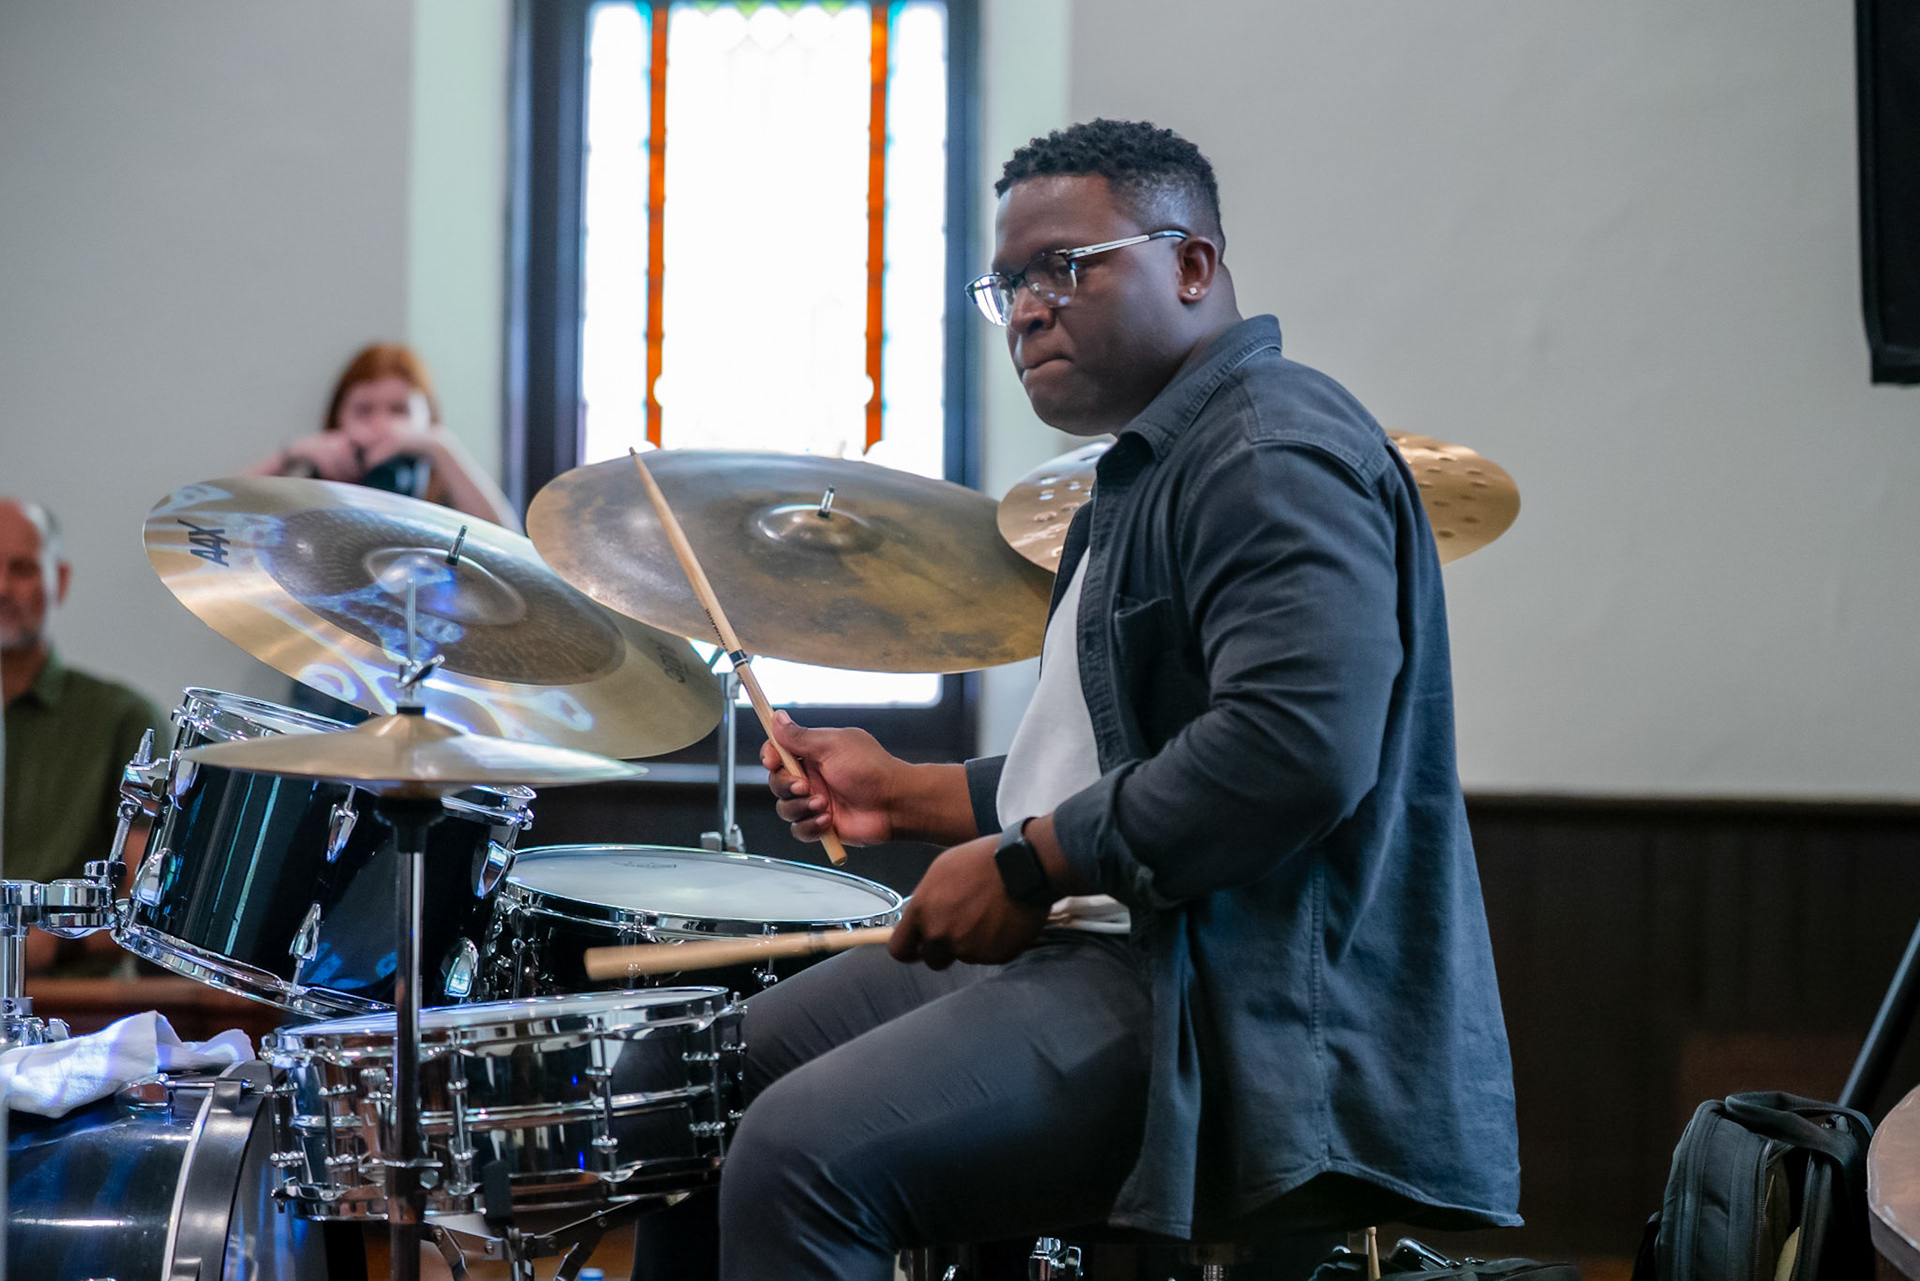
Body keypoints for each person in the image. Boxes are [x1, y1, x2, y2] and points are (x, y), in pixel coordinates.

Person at [696, 120, 1523, 1280]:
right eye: (1010, 284)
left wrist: (1029, 863)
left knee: (796, 1155)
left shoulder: (1270, 446)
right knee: (699, 1088)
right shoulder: (1147, 475)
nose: (1028, 308)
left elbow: (1294, 747)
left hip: (1221, 993)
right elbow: (1119, 762)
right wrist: (910, 792)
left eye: (1065, 268)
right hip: (1095, 945)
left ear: (1192, 266)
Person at [1, 499, 168, 972]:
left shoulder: (124, 720)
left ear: (61, 581)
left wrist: (53, 939)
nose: (2, 587)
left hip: (79, 1012)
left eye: (23, 568)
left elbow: (148, 897)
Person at [247, 342, 520, 531]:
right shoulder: (319, 486)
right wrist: (290, 455)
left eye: (399, 410)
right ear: (338, 418)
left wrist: (441, 447)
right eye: (364, 411)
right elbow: (218, 519)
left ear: (429, 417)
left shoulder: (446, 491)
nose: (381, 425)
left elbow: (510, 547)